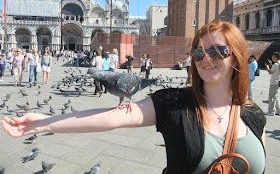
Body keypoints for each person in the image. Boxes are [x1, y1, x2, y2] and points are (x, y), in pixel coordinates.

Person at [1, 21, 266, 174]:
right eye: (199, 53)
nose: (206, 59)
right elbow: (108, 118)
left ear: (237, 55)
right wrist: (44, 122)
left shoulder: (254, 114)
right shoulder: (175, 105)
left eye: (218, 51)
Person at [265, 52, 280, 116]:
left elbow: (270, 72)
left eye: (273, 56)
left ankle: (271, 111)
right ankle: (278, 110)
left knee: (272, 97)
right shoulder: (278, 64)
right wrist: (271, 65)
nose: (272, 57)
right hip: (278, 81)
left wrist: (267, 66)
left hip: (274, 82)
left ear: (275, 57)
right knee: (276, 97)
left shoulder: (276, 64)